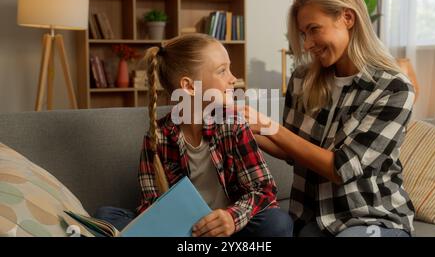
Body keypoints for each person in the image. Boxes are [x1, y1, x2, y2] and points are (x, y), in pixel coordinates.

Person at [243, 0, 415, 237]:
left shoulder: (394, 88)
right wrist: (240, 127)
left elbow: (340, 168)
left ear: (347, 18)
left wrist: (270, 127)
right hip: (312, 217)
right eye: (303, 34)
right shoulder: (302, 79)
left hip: (372, 217)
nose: (307, 44)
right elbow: (291, 149)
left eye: (314, 29)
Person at [95, 33, 293, 237]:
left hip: (231, 230)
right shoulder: (157, 137)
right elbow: (151, 202)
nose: (233, 79)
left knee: (277, 222)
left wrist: (231, 218)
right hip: (183, 232)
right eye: (222, 71)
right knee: (105, 215)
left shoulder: (234, 126)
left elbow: (264, 190)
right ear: (189, 87)